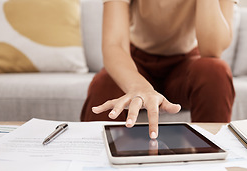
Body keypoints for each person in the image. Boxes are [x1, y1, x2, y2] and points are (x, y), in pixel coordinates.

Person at [81, 0, 237, 139]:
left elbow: (211, 49)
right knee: (104, 84)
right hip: (137, 61)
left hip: (185, 63)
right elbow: (114, 44)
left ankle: (212, 158)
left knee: (215, 72)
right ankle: (93, 161)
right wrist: (139, 87)